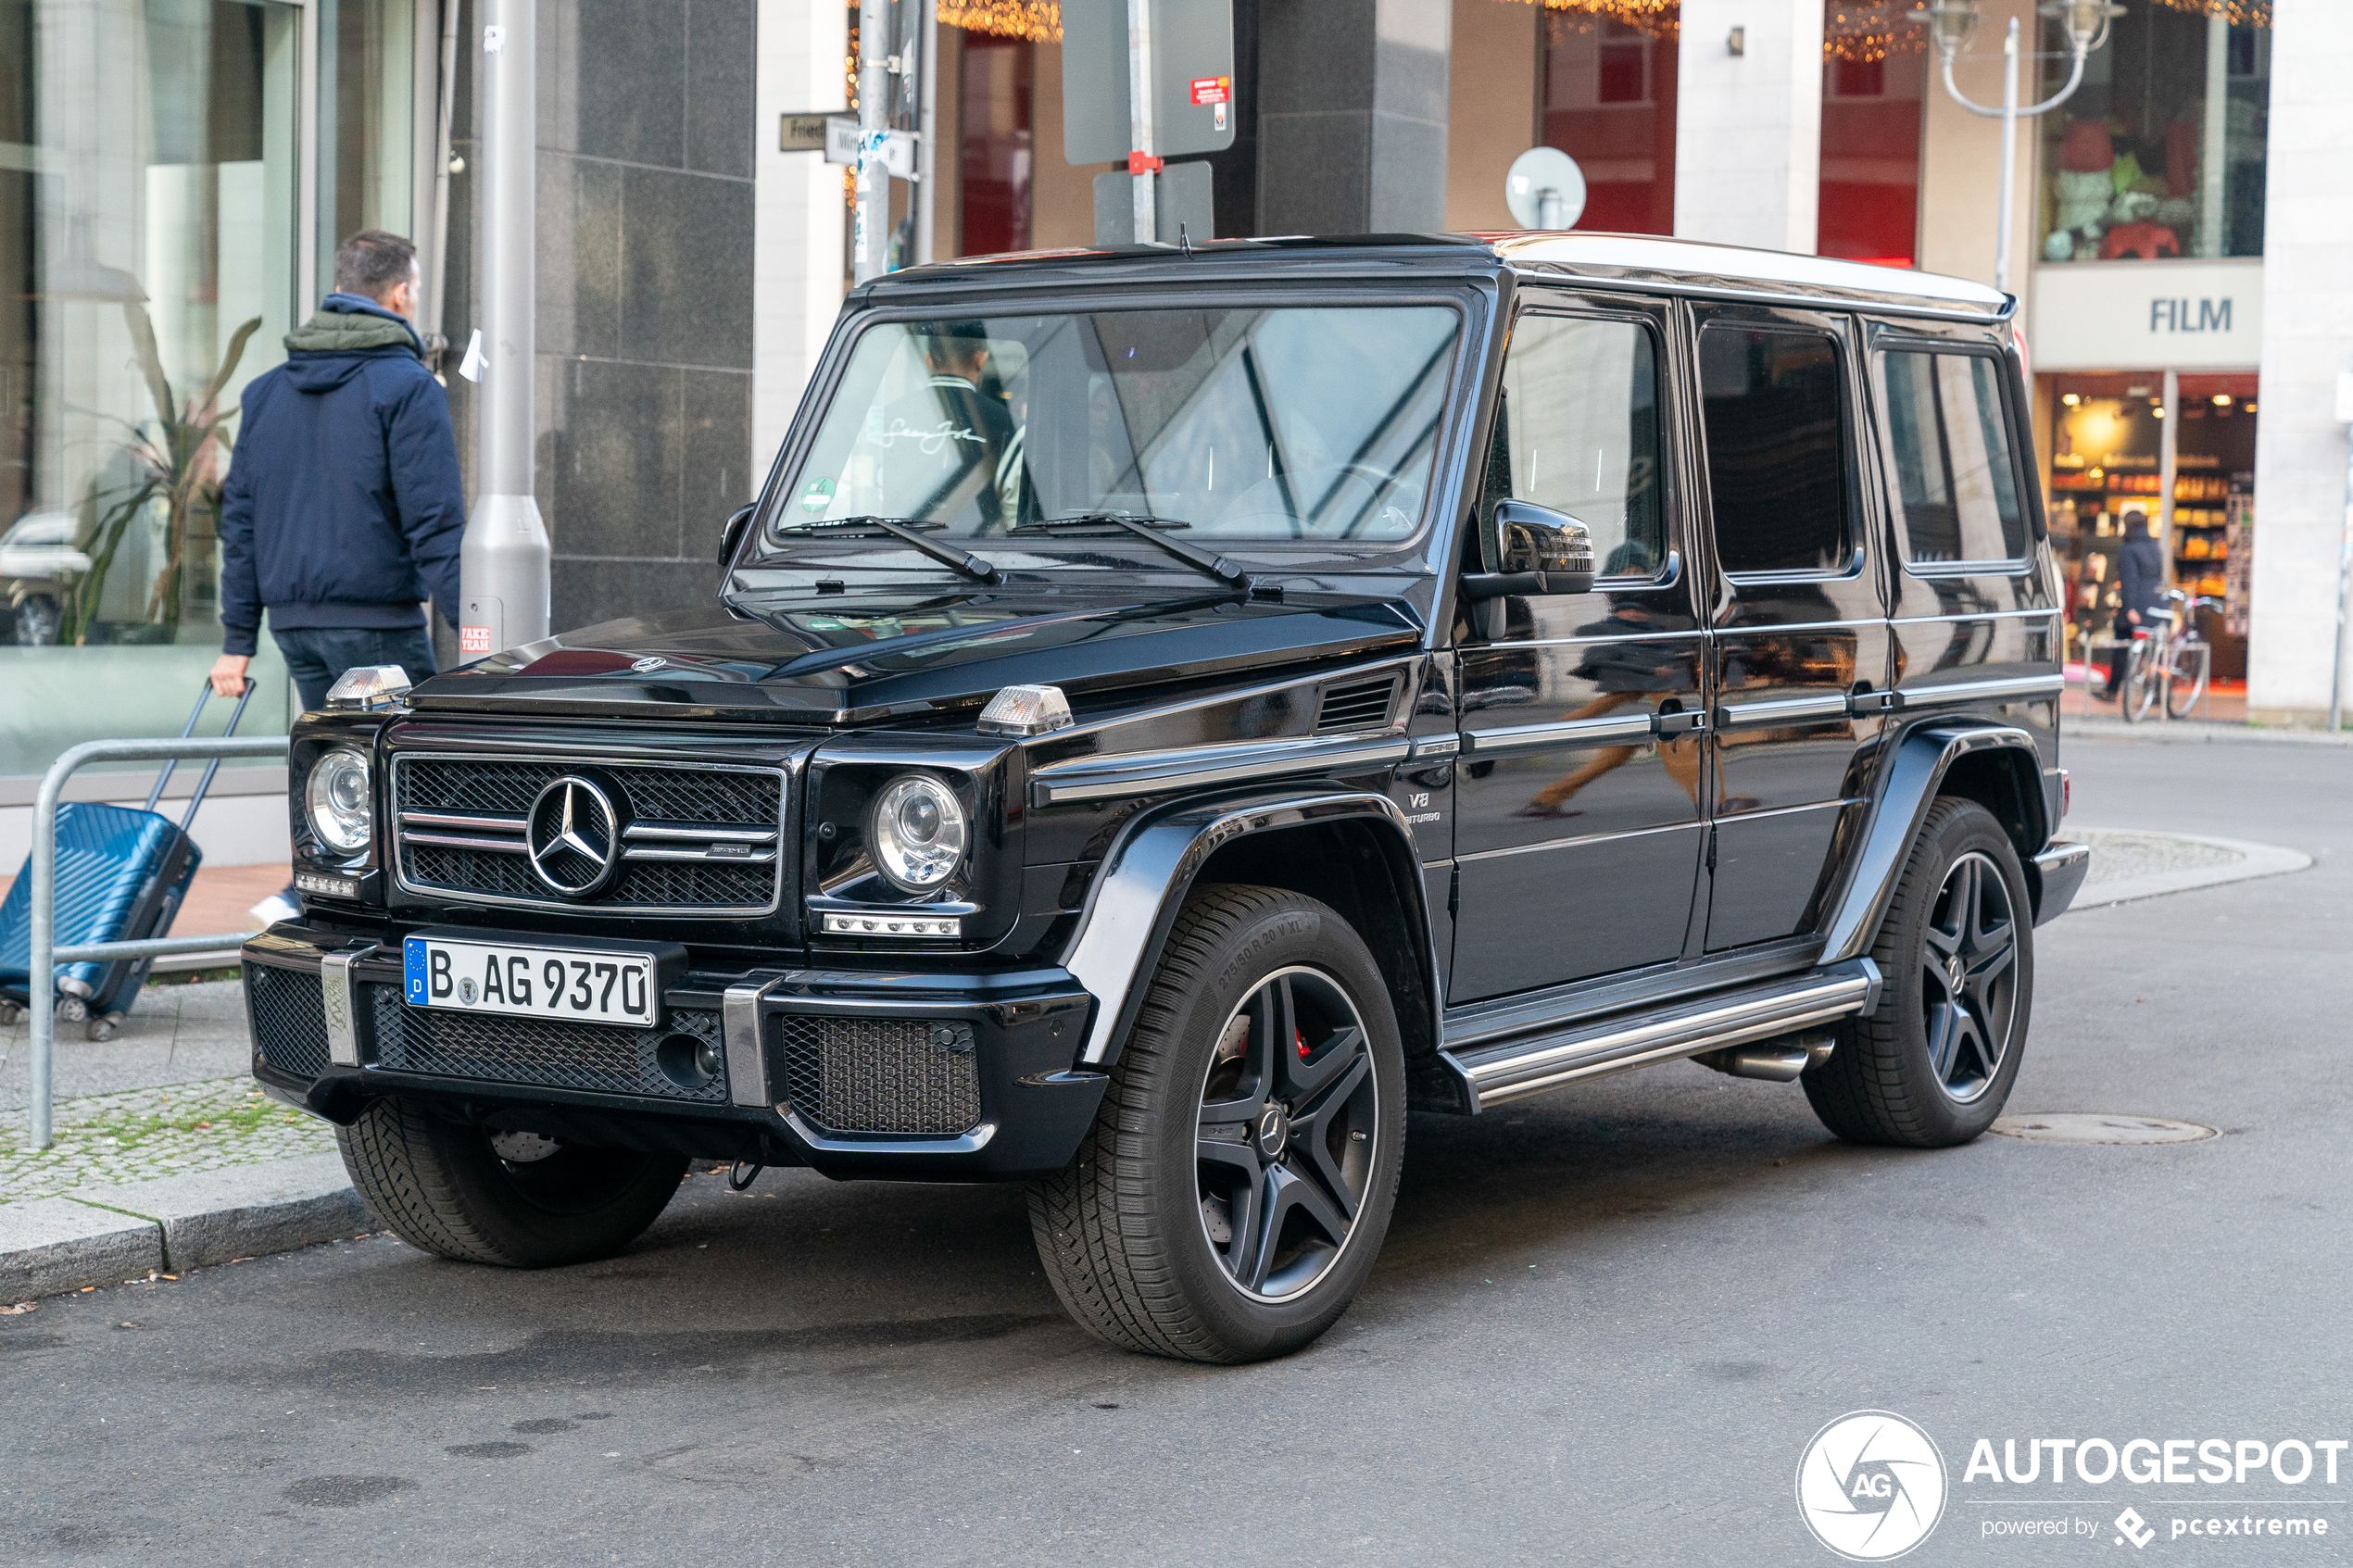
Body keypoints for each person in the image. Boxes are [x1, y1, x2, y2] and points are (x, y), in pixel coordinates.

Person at [209, 229, 465, 922]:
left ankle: (319, 905)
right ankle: (356, 912)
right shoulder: (406, 387)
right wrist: (480, 635)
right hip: (377, 625)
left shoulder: (265, 394)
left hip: (298, 628)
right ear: (401, 293)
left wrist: (239, 637)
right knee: (422, 779)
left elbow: (241, 524)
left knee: (340, 779)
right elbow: (436, 523)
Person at [2099, 508, 2169, 699]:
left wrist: (2129, 607)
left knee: (2122, 644)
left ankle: (2111, 690)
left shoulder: (2128, 549)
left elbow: (2130, 580)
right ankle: (2158, 694)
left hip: (2137, 604)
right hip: (2156, 603)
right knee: (2155, 649)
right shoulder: (2154, 547)